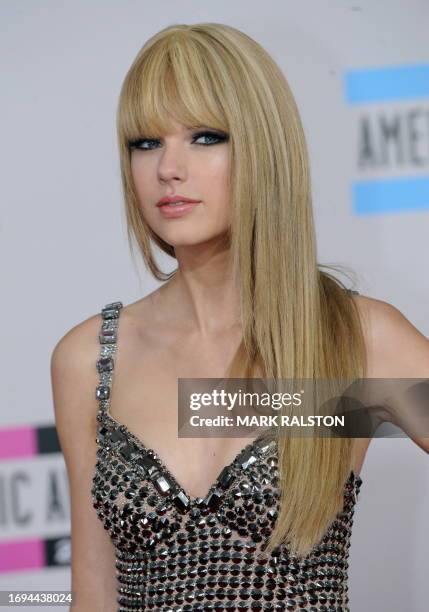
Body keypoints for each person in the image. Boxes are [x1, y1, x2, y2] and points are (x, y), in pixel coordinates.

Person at [50, 22, 429, 612]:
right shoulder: (91, 357)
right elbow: (92, 598)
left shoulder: (357, 340)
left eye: (205, 136)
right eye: (145, 143)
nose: (168, 168)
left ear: (263, 147)